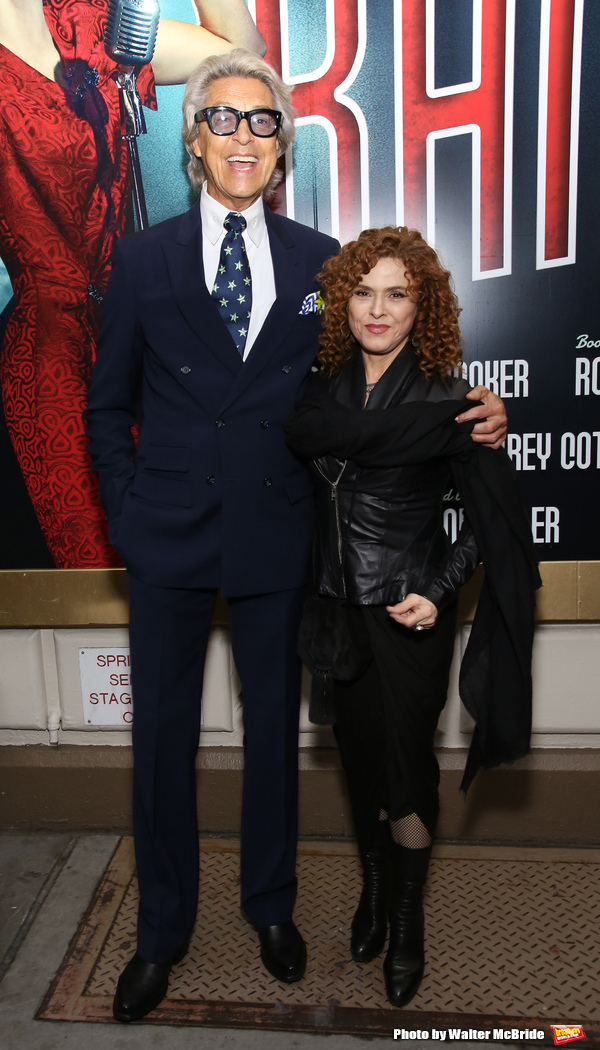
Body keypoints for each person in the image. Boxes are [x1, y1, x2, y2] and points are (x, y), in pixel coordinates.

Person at [84, 52, 508, 1022]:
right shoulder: (141, 260)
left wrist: (473, 405)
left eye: (263, 121)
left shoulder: (323, 265)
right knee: (161, 743)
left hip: (281, 537)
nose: (244, 136)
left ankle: (271, 910)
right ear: (194, 141)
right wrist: (125, 512)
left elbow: (373, 360)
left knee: (274, 735)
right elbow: (106, 404)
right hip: (167, 535)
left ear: (282, 148)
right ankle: (161, 932)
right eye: (224, 119)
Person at [285, 226, 539, 1009]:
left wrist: (439, 587)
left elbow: (494, 522)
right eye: (362, 292)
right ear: (342, 303)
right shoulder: (319, 390)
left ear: (420, 304)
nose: (378, 308)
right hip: (332, 610)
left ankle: (406, 920)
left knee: (407, 772)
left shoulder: (447, 397)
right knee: (358, 767)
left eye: (397, 293)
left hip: (407, 617)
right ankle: (369, 893)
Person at [0, 0, 264, 567]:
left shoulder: (88, 24)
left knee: (188, 560)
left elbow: (241, 59)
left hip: (141, 343)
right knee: (90, 574)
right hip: (50, 354)